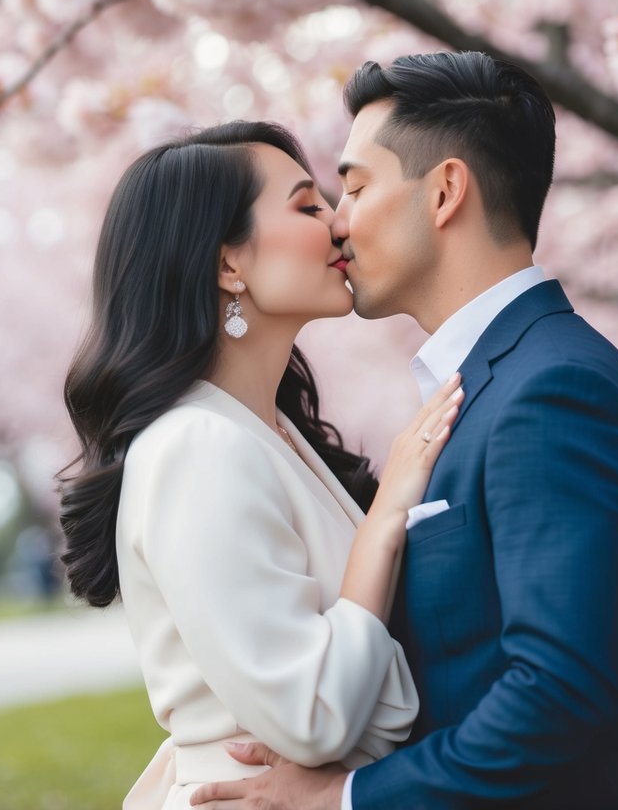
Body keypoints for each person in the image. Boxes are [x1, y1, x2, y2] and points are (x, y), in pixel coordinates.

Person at [190, 51, 618, 810]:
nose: (336, 220)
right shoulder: (496, 382)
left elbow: (566, 695)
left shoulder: (553, 392)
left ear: (445, 192)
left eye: (355, 186)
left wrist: (348, 798)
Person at [59, 120, 463, 808]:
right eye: (307, 206)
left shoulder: (264, 433)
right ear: (227, 264)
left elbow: (366, 703)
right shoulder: (196, 447)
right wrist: (383, 521)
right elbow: (317, 716)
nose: (340, 223)